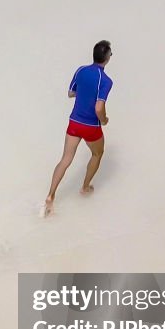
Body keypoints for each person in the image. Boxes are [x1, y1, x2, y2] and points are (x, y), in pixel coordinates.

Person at [42, 40, 114, 217]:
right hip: (91, 126)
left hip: (74, 122)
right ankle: (85, 187)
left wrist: (84, 94)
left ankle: (51, 195)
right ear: (106, 58)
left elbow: (71, 93)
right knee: (97, 154)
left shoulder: (81, 70)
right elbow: (98, 108)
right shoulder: (106, 81)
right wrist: (104, 120)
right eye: (110, 54)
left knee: (65, 159)